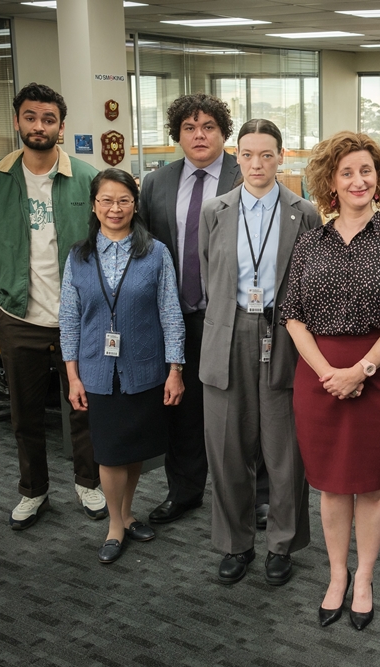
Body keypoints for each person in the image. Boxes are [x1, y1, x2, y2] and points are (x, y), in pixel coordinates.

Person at [282, 131, 380, 630]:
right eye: (347, 172)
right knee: (332, 485)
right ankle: (337, 575)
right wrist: (330, 374)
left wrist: (361, 370)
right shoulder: (309, 242)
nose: (357, 180)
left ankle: (364, 578)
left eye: (366, 171)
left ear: (379, 179)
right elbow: (292, 316)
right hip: (319, 377)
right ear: (331, 181)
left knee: (371, 484)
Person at [0, 82, 107, 530]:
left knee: (84, 409)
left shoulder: (86, 178)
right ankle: (33, 491)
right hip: (18, 316)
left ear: (61, 126)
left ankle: (88, 483)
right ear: (17, 121)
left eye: (48, 119)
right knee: (25, 414)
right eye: (30, 117)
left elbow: (107, 244)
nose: (39, 126)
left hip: (78, 317)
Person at [198, 119, 321, 586]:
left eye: (266, 155)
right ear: (237, 157)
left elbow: (309, 282)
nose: (256, 164)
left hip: (284, 334)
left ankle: (282, 545)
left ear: (281, 157)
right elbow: (209, 276)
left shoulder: (304, 212)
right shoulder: (215, 211)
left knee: (285, 451)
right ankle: (236, 543)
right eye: (247, 154)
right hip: (228, 334)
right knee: (228, 448)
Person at [138, 94, 268, 528]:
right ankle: (184, 491)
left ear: (224, 133)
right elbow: (147, 249)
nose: (199, 135)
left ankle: (259, 496)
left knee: (249, 408)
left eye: (209, 126)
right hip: (179, 317)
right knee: (183, 409)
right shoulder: (156, 183)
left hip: (237, 317)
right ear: (177, 135)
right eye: (189, 128)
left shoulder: (246, 172)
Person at [60, 168, 186, 563]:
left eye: (124, 200)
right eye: (106, 200)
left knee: (133, 451)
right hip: (97, 372)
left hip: (144, 369)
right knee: (111, 453)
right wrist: (72, 376)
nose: (115, 208)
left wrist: (175, 369)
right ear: (94, 205)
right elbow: (69, 319)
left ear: (135, 204)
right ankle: (115, 525)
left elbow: (171, 313)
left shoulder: (156, 252)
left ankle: (128, 514)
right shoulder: (79, 256)